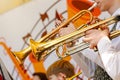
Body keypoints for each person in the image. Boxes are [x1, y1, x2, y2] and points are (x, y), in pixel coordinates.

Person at [59, 0, 120, 80]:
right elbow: (92, 71)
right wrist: (72, 43)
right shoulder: (110, 24)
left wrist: (78, 37)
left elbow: (114, 66)